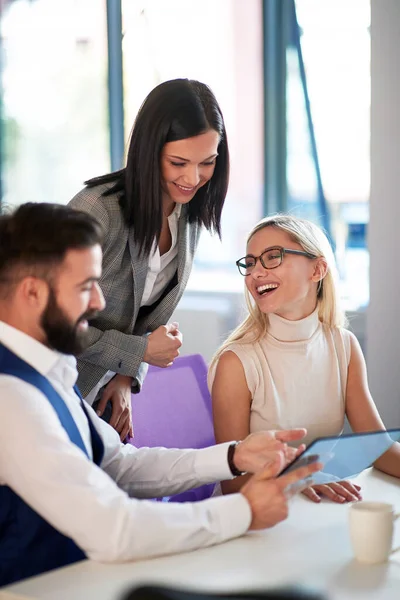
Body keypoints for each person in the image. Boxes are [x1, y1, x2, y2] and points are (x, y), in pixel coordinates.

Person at [0, 203, 322, 587]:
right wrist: (244, 511)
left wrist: (234, 455)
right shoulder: (11, 396)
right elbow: (114, 528)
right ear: (32, 292)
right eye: (86, 287)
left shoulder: (47, 369)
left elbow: (120, 465)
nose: (100, 303)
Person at [68, 78, 230, 440]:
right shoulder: (97, 209)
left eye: (208, 162)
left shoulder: (188, 215)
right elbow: (50, 324)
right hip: (56, 386)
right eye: (178, 162)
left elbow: (146, 318)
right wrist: (140, 351)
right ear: (149, 151)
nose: (193, 178)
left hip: (106, 395)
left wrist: (128, 375)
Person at [209, 214, 400, 501]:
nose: (255, 273)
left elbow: (380, 449)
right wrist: (297, 478)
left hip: (314, 508)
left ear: (318, 269)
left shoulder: (344, 347)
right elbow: (234, 483)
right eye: (250, 263)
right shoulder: (237, 362)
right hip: (251, 515)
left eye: (273, 257)